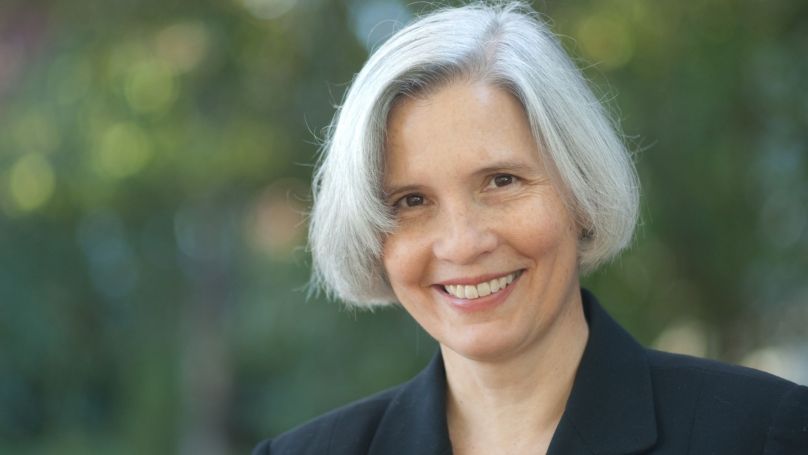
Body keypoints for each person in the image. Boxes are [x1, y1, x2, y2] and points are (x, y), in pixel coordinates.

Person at [254, 2, 808, 454]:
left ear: (580, 191)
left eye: (501, 181)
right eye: (412, 200)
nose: (464, 243)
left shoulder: (766, 434)